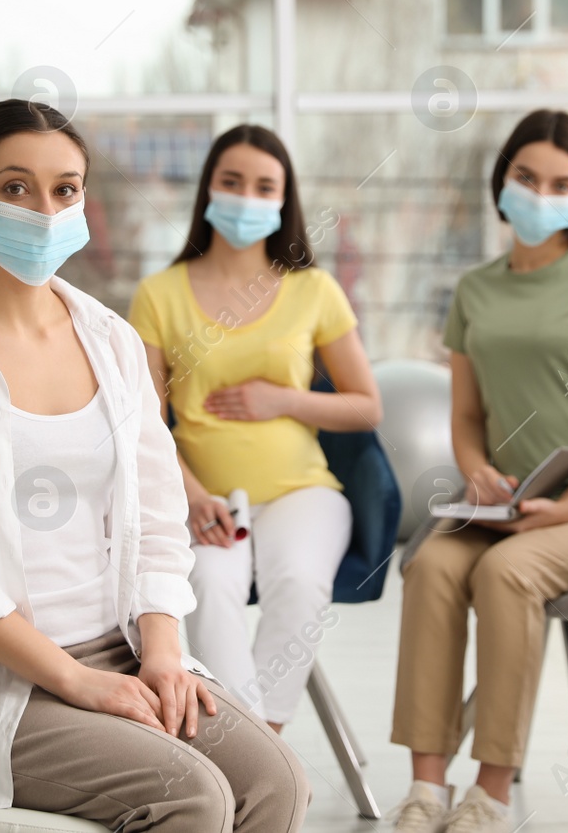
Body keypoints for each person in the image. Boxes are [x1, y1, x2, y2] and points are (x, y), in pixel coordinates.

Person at [0, 99, 310, 830]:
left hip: (120, 644)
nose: (44, 208)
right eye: (14, 187)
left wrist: (162, 651)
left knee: (275, 783)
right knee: (191, 795)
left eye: (64, 189)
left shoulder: (112, 339)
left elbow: (159, 521)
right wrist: (76, 682)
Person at [390, 109, 568, 833]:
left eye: (561, 182)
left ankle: (491, 794)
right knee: (433, 564)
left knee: (507, 574)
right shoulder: (476, 290)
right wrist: (475, 471)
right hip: (508, 501)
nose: (542, 193)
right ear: (502, 182)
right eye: (527, 176)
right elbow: (467, 416)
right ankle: (426, 789)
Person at [128, 124, 383, 730]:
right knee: (210, 588)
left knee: (297, 579)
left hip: (303, 492)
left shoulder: (313, 290)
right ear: (208, 191)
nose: (246, 196)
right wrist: (189, 494)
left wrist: (282, 399)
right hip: (203, 502)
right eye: (232, 181)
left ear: (283, 199)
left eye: (263, 185)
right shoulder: (158, 294)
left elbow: (366, 405)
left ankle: (261, 746)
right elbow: (143, 419)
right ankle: (247, 753)